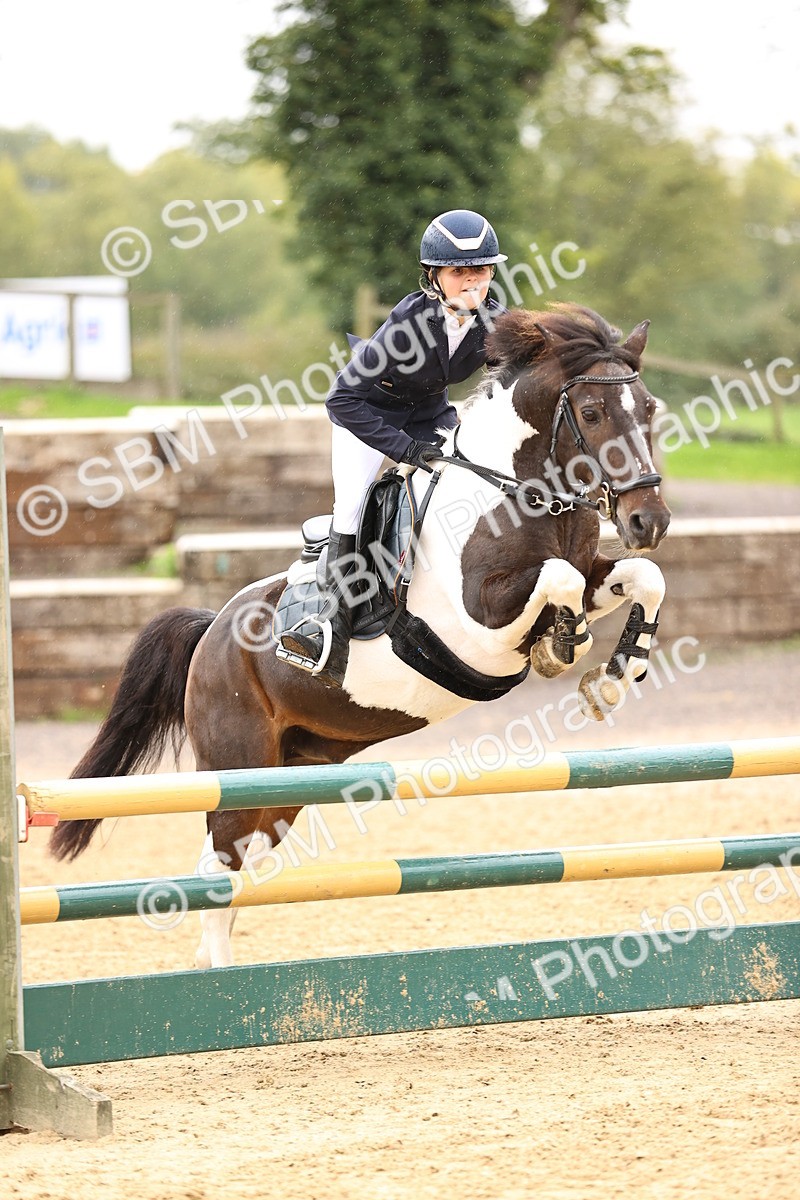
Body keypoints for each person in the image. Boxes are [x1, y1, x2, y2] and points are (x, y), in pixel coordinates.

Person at [277, 208, 507, 688]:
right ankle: (327, 630)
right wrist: (403, 450)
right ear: (434, 277)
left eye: (481, 271)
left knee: (469, 482)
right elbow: (341, 399)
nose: (473, 283)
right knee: (352, 510)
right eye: (460, 273)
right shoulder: (406, 327)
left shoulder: (492, 316)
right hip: (368, 414)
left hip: (427, 412)